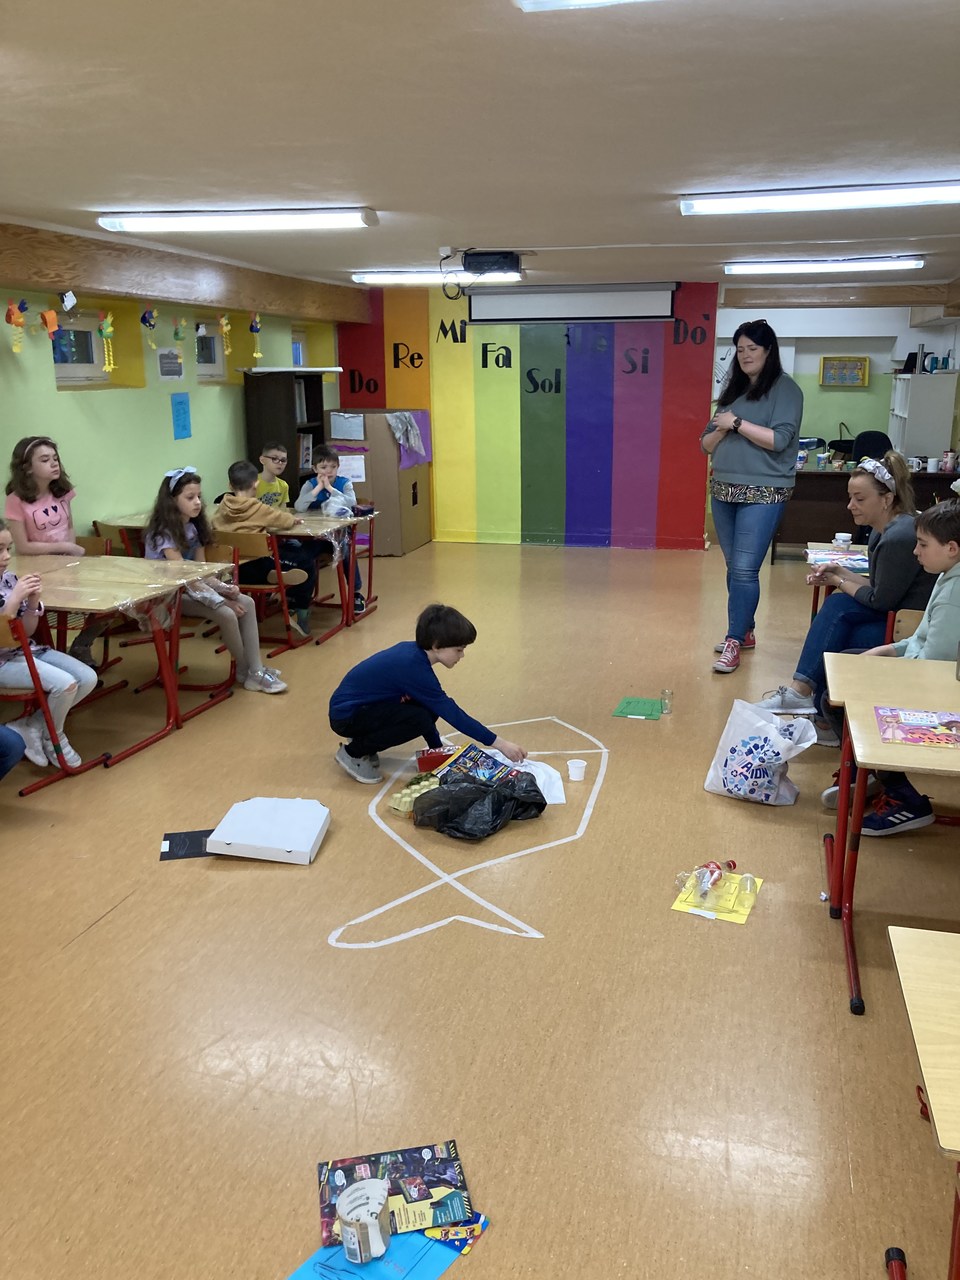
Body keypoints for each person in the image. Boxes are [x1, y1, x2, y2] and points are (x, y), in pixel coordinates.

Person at [752, 452, 934, 743]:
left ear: (886, 499)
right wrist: (840, 572)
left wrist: (838, 580)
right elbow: (879, 587)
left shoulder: (899, 536)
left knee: (839, 616)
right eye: (850, 498)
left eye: (859, 499)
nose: (850, 506)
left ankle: (808, 701)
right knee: (838, 623)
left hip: (907, 628)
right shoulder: (884, 531)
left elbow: (880, 600)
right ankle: (820, 715)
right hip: (894, 617)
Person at [821, 500, 960, 836]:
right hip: (921, 671)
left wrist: (883, 671)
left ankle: (902, 795)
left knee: (839, 700)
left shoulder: (954, 593)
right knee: (843, 670)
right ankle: (872, 773)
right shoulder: (947, 575)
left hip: (935, 689)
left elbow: (934, 668)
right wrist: (886, 651)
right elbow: (921, 640)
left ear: (952, 548)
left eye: (923, 545)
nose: (915, 552)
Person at [701, 319, 804, 674]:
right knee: (735, 568)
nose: (745, 355)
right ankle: (744, 631)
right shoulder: (733, 390)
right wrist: (722, 429)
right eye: (740, 349)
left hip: (764, 491)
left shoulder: (786, 389)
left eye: (752, 349)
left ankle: (733, 640)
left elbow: (779, 440)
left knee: (745, 570)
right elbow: (705, 444)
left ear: (768, 351)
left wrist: (736, 424)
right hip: (723, 488)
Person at [328, 602, 527, 783]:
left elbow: (431, 707)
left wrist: (436, 750)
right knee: (419, 719)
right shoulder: (412, 667)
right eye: (459, 650)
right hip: (347, 718)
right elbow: (452, 713)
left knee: (427, 711)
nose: (462, 655)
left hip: (362, 709)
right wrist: (500, 744)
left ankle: (364, 742)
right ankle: (353, 753)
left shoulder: (414, 655)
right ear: (436, 645)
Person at [144, 466, 287, 694]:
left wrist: (225, 589)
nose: (197, 502)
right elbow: (186, 578)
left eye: (199, 496)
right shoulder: (163, 533)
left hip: (191, 589)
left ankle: (254, 669)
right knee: (227, 613)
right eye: (190, 497)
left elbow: (202, 571)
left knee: (247, 602)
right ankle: (250, 671)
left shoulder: (193, 527)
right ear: (171, 501)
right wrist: (223, 599)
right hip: (167, 597)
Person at [0, 519, 98, 768]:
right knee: (65, 685)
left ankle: (34, 726)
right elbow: (2, 639)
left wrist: (32, 602)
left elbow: (26, 631)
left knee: (88, 678)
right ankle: (56, 737)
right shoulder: (12, 590)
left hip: (25, 650)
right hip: (2, 661)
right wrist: (13, 602)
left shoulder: (8, 580)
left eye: (8, 549)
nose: (6, 557)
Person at [4, 435, 107, 666]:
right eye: (44, 460)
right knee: (39, 610)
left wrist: (70, 556)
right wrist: (65, 547)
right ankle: (48, 656)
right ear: (27, 468)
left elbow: (68, 526)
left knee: (105, 602)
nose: (54, 464)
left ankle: (81, 645)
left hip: (67, 566)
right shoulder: (15, 500)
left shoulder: (63, 491)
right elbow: (23, 546)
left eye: (55, 458)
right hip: (37, 569)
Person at [213, 459, 318, 637]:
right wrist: (293, 520)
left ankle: (276, 576)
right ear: (256, 484)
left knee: (283, 556)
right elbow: (284, 520)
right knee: (306, 562)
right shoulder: (257, 508)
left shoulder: (222, 507)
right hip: (259, 565)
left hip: (232, 572)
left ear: (230, 485)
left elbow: (214, 526)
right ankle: (298, 611)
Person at [295, 445, 365, 615]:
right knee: (302, 555)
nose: (328, 471)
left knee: (347, 552)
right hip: (317, 537)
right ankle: (298, 596)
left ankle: (355, 592)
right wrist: (318, 488)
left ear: (338, 467)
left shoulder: (344, 483)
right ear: (315, 469)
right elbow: (299, 507)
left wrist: (330, 489)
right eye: (323, 467)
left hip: (341, 535)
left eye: (333, 467)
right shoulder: (309, 485)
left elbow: (352, 502)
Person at [256, 441, 290, 508]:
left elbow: (283, 510)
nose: (280, 463)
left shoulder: (283, 485)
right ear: (262, 460)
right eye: (274, 458)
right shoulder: (251, 483)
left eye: (283, 460)